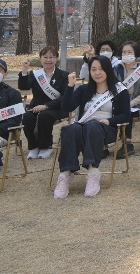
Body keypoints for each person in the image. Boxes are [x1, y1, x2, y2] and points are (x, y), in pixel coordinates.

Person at [53, 56, 131, 198]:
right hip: (82, 127)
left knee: (93, 126)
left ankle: (92, 172)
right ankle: (65, 175)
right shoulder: (83, 89)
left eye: (101, 69)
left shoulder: (120, 90)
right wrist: (70, 87)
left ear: (108, 70)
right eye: (93, 69)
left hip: (105, 129)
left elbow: (126, 115)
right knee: (71, 128)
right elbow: (67, 107)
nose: (97, 73)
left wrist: (110, 121)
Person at [19, 46, 69, 159]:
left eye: (52, 57)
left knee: (44, 116)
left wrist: (46, 106)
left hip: (57, 108)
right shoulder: (35, 74)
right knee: (27, 117)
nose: (48, 60)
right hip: (36, 106)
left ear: (56, 59)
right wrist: (24, 70)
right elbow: (23, 87)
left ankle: (46, 146)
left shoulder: (64, 75)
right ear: (40, 59)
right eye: (45, 57)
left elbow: (65, 97)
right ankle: (33, 147)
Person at [114, 40, 140, 159]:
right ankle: (104, 144)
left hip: (136, 104)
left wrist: (129, 103)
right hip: (117, 102)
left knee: (127, 111)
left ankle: (127, 144)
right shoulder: (115, 69)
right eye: (124, 52)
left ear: (135, 54)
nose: (126, 54)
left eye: (129, 52)